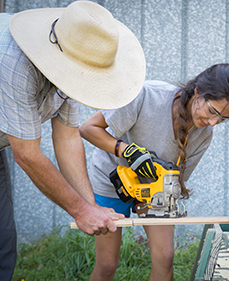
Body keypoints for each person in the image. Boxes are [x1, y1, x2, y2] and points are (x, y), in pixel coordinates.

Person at [0, 1, 146, 279]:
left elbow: (67, 137)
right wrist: (79, 210)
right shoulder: (11, 61)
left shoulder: (72, 64)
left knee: (2, 240)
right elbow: (27, 155)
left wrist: (90, 205)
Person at [79, 63, 229, 281]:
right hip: (114, 179)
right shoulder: (148, 96)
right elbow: (87, 128)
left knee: (165, 258)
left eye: (223, 119)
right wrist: (127, 150)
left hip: (155, 187)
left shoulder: (204, 134)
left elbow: (175, 183)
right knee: (108, 263)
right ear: (197, 90)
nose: (213, 123)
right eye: (212, 111)